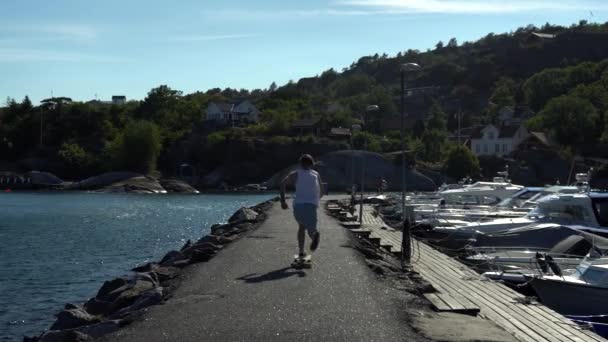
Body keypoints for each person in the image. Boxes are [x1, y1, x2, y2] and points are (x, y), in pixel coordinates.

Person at [280, 154, 324, 259]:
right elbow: (322, 191)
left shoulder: (295, 173)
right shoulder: (316, 174)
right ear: (312, 163)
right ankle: (314, 236)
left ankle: (301, 251)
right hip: (311, 205)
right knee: (311, 229)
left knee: (301, 227)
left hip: (298, 205)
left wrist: (283, 200)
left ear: (300, 163)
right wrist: (316, 200)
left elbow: (282, 183)